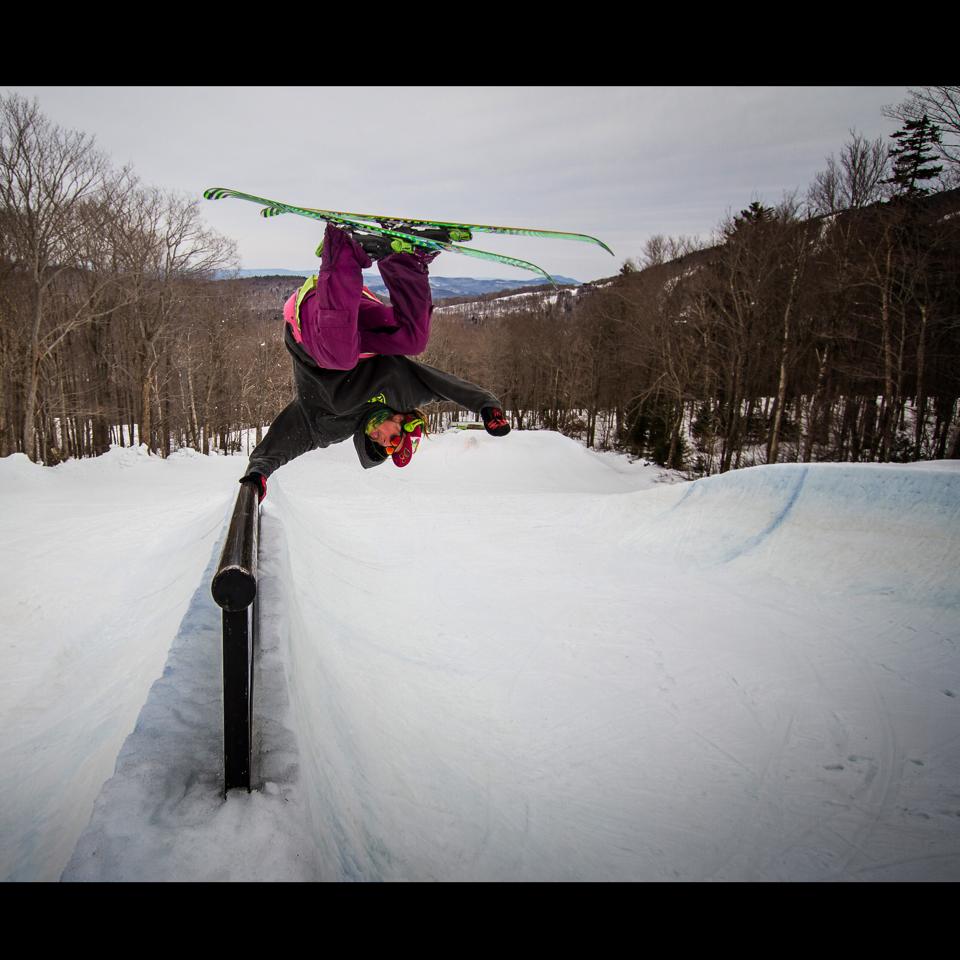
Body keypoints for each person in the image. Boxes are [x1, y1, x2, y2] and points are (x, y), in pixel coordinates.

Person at [239, 222, 511, 501]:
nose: (382, 439)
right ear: (402, 424)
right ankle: (404, 258)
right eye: (393, 440)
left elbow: (283, 445)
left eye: (378, 445)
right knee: (412, 340)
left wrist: (258, 473)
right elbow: (445, 387)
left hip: (311, 325)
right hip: (352, 310)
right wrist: (487, 407)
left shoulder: (329, 426)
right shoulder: (403, 393)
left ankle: (342, 247)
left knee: (341, 359)